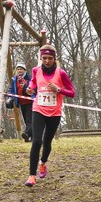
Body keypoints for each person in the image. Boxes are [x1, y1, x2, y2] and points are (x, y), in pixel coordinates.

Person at [23, 44, 75, 187]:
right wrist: (30, 89)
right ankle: (31, 176)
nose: (47, 61)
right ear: (41, 58)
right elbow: (33, 82)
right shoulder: (36, 70)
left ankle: (43, 162)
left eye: (50, 58)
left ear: (54, 58)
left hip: (54, 113)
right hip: (38, 110)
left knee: (47, 142)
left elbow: (72, 92)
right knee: (36, 141)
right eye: (44, 58)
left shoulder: (61, 73)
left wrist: (58, 89)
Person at [7, 63, 34, 142]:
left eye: (21, 69)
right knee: (26, 120)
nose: (19, 71)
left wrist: (26, 88)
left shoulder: (29, 78)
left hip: (30, 102)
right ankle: (31, 137)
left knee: (30, 119)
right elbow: (11, 89)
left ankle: (26, 133)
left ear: (24, 70)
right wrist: (10, 98)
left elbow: (32, 88)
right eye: (18, 69)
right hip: (22, 103)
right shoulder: (15, 79)